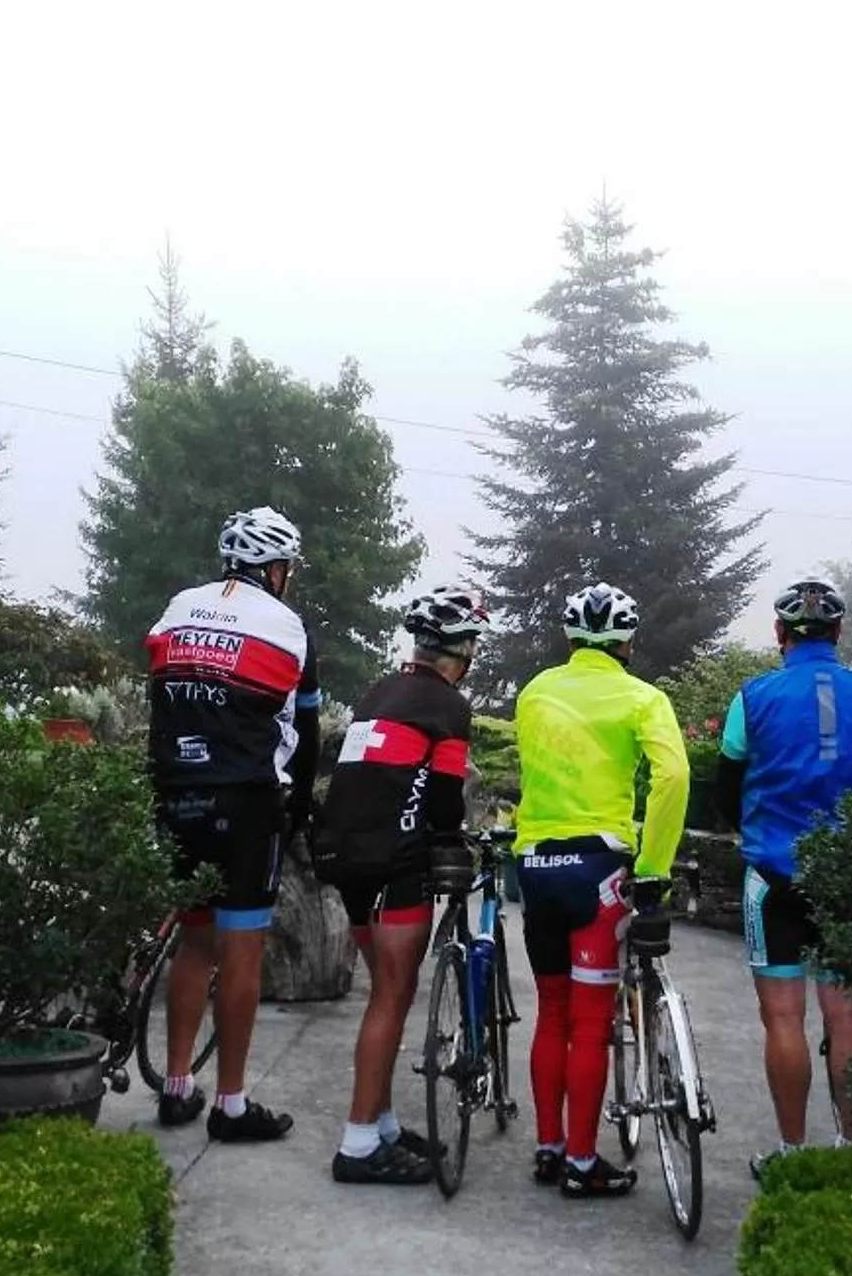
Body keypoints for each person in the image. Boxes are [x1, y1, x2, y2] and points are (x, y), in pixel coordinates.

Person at [713, 578, 852, 1177]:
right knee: (845, 1016)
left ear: (780, 635)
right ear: (838, 633)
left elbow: (724, 790)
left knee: (783, 1018)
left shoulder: (751, 697)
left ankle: (791, 1153)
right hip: (851, 876)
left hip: (774, 875)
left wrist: (750, 831)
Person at [143, 506, 321, 1143]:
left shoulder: (178, 608)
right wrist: (299, 803)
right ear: (274, 569)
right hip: (245, 799)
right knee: (242, 949)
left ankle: (176, 1085)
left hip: (174, 790)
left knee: (195, 942)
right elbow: (305, 730)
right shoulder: (289, 625)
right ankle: (232, 1103)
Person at [510, 583, 689, 1199]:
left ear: (570, 638)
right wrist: (654, 868)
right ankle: (584, 1165)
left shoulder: (535, 691)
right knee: (590, 1023)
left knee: (550, 1012)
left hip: (534, 864)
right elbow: (673, 774)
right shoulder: (644, 697)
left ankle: (549, 1147)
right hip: (598, 870)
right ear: (627, 642)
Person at [313, 587, 493, 1186]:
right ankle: (359, 1142)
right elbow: (442, 797)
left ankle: (383, 1123)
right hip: (396, 862)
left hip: (346, 857)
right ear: (459, 651)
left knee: (382, 994)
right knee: (391, 995)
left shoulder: (380, 691)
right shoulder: (446, 706)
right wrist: (455, 839)